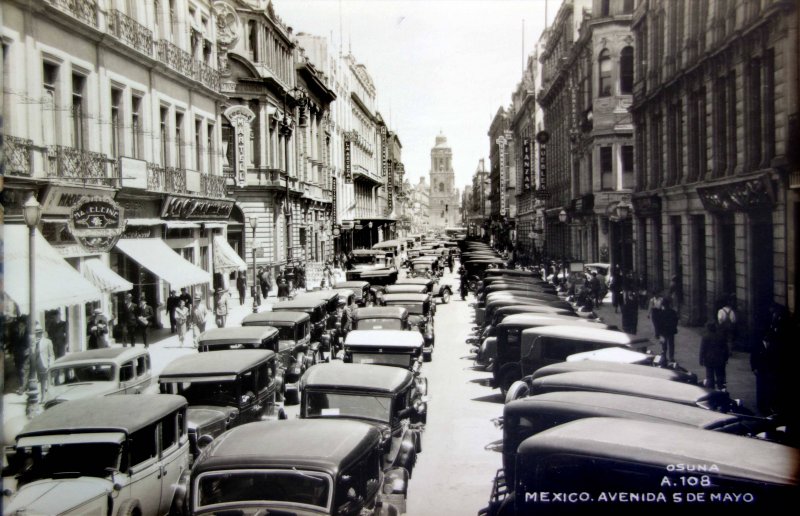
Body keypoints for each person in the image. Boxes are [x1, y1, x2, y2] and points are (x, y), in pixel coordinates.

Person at [699, 322, 728, 391]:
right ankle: (721, 390)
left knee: (710, 377)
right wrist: (726, 358)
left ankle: (710, 390)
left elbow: (702, 349)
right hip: (720, 360)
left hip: (709, 360)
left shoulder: (705, 337)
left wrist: (701, 359)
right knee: (720, 376)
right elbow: (725, 349)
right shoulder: (721, 336)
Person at [30, 322, 55, 401]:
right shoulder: (33, 343)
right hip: (35, 365)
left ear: (42, 333)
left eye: (40, 333)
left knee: (45, 383)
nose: (38, 334)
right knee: (39, 383)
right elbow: (31, 354)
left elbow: (51, 354)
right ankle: (40, 397)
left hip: (45, 365)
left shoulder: (48, 341)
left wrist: (50, 364)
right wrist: (34, 345)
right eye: (37, 333)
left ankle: (45, 398)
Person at [12, 317, 29, 395]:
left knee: (23, 371)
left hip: (25, 355)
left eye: (22, 325)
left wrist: (27, 351)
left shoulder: (28, 333)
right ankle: (22, 386)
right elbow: (14, 344)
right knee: (19, 371)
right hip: (17, 355)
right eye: (19, 325)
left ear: (25, 325)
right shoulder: (15, 333)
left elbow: (29, 344)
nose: (20, 326)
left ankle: (23, 387)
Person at [659, 297, 679, 365]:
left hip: (663, 331)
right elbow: (676, 321)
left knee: (663, 344)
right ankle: (671, 357)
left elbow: (659, 323)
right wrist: (673, 327)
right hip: (671, 331)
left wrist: (659, 331)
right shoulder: (673, 312)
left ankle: (664, 356)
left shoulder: (661, 313)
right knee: (671, 344)